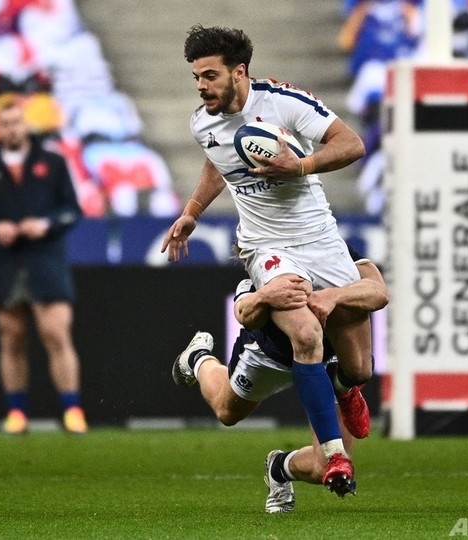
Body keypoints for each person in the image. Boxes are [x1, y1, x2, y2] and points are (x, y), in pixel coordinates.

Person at [162, 24, 368, 497]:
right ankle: (334, 455)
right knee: (306, 332)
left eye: (209, 75)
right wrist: (192, 211)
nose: (201, 86)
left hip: (320, 239)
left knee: (359, 369)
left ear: (239, 72)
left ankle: (205, 361)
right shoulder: (202, 122)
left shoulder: (284, 102)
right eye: (196, 77)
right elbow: (218, 160)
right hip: (266, 248)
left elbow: (352, 144)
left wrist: (301, 165)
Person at [173, 250, 388, 513]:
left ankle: (279, 467)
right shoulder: (266, 258)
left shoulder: (332, 246)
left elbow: (378, 291)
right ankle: (198, 358)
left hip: (327, 360)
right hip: (269, 358)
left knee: (327, 465)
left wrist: (334, 295)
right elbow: (244, 312)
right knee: (226, 412)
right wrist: (264, 296)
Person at [0, 94, 87, 435]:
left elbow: (72, 210)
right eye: (4, 124)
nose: (11, 129)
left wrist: (45, 224)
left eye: (16, 122)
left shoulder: (52, 162)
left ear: (26, 124)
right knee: (11, 338)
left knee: (56, 334)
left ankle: (72, 410)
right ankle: (16, 412)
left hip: (45, 260)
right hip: (4, 263)